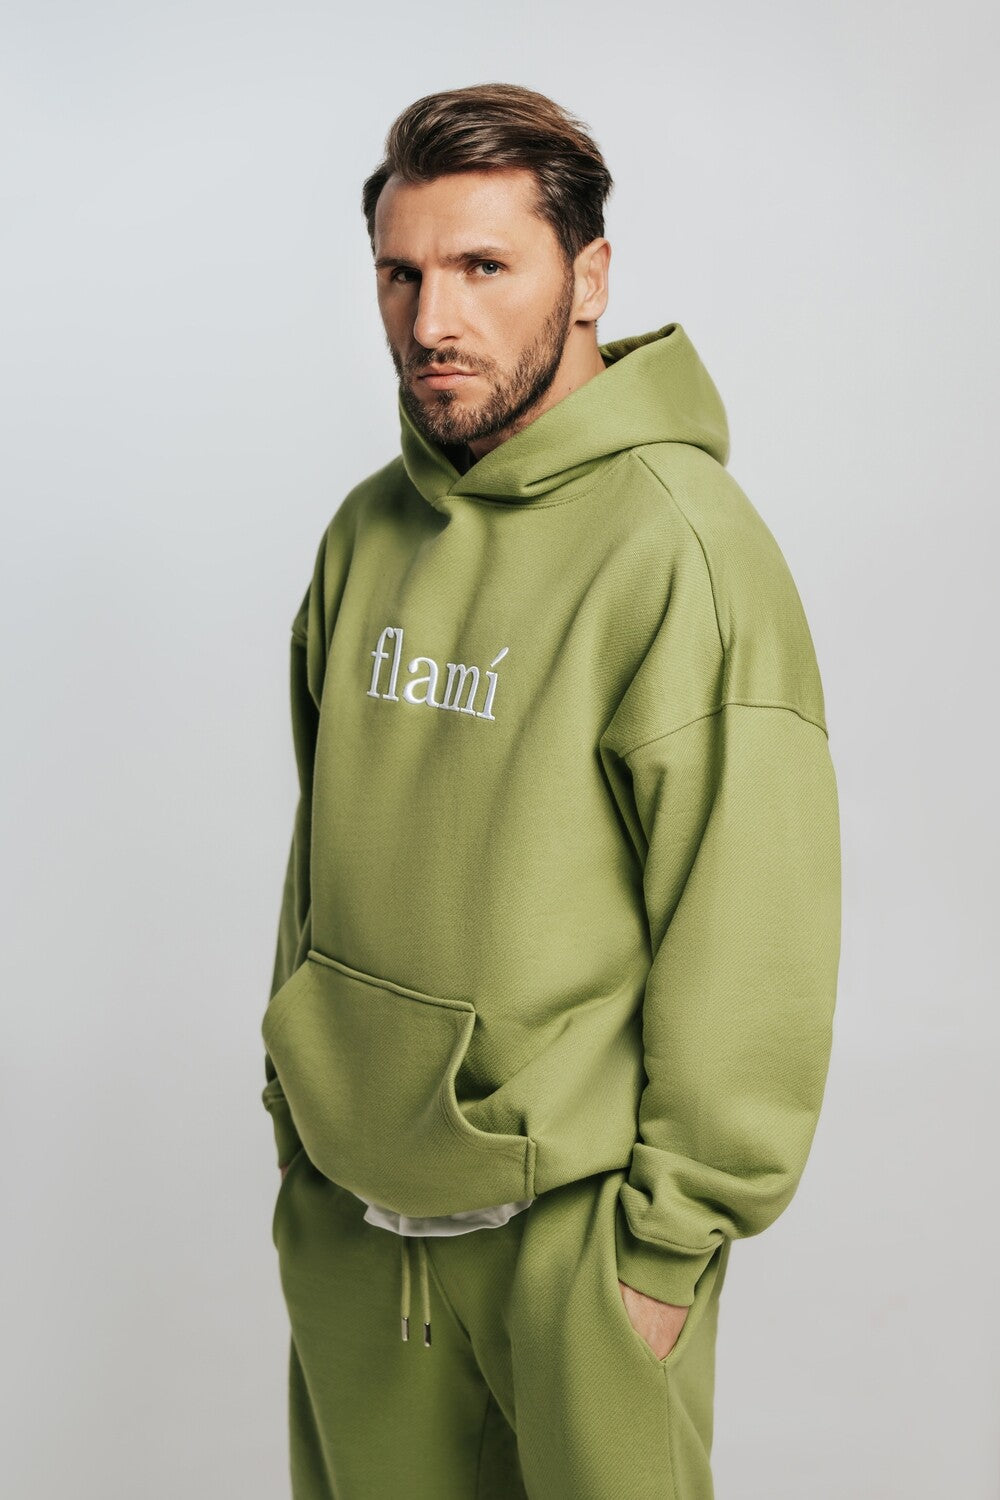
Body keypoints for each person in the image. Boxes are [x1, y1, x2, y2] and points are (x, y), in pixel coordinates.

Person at [260, 81, 842, 1500]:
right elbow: (322, 852)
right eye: (401, 274)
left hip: (576, 1254)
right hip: (353, 1232)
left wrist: (665, 1249)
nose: (432, 321)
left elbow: (749, 918)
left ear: (587, 279)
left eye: (483, 267)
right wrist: (301, 1122)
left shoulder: (682, 550)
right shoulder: (367, 534)